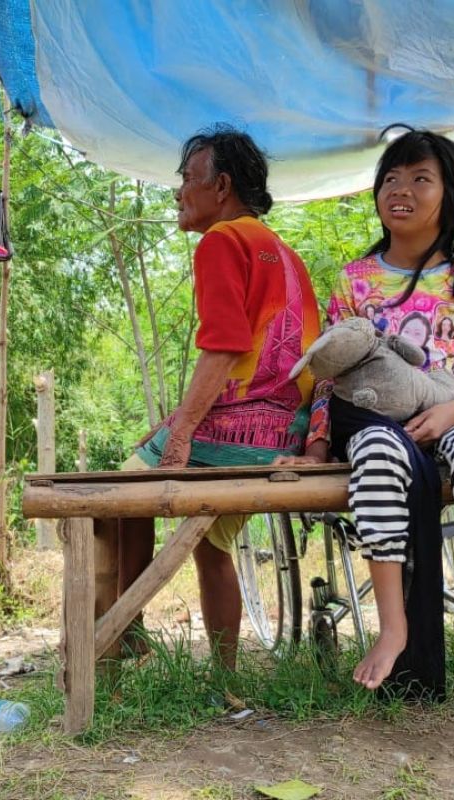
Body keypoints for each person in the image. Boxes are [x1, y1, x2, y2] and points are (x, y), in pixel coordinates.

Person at [278, 128, 454, 695]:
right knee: (375, 451)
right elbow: (329, 370)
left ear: (452, 196)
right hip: (376, 424)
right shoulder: (354, 281)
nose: (400, 189)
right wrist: (319, 443)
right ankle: (393, 627)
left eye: (420, 178)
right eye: (391, 179)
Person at [104, 124, 321, 669]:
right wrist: (175, 421)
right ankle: (224, 672)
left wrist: (181, 432)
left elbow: (225, 346)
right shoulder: (285, 253)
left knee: (120, 495)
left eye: (186, 179)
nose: (179, 192)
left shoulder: (222, 241)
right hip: (285, 433)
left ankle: (124, 630)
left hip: (234, 432)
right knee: (213, 542)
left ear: (220, 186)